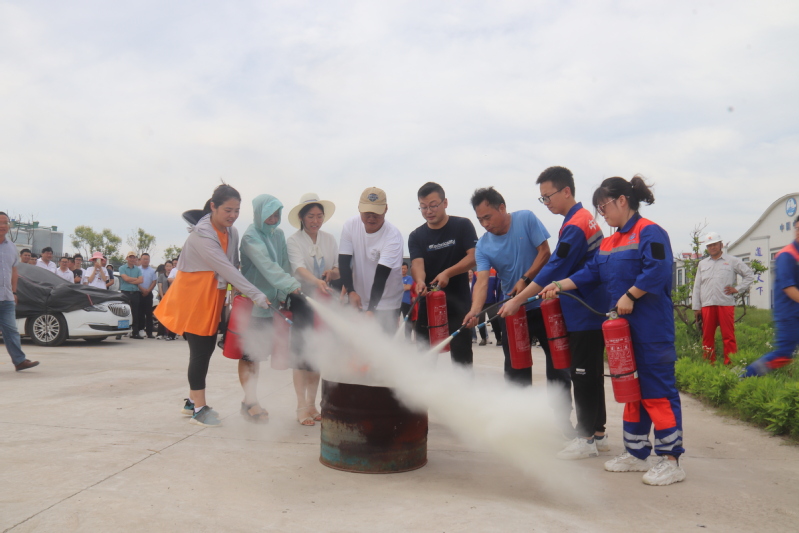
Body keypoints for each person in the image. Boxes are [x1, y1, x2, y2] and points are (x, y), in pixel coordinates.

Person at [540, 175, 685, 486]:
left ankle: (671, 459)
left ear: (622, 200)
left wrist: (631, 295)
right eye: (598, 208)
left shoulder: (650, 232)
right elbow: (590, 272)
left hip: (651, 329)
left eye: (603, 206)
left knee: (658, 392)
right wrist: (559, 285)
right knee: (630, 391)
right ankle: (636, 453)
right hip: (623, 333)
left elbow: (658, 269)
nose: (601, 213)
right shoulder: (609, 242)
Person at [500, 166, 610, 460]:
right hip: (592, 307)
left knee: (582, 374)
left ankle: (585, 439)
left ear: (566, 191)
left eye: (548, 196)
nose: (546, 203)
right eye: (542, 198)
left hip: (584, 310)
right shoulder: (582, 219)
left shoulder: (575, 225)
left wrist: (518, 300)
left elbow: (553, 268)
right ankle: (598, 433)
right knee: (592, 373)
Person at [155, 183, 272, 427]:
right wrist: (256, 294)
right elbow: (225, 268)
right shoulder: (201, 235)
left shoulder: (232, 232)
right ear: (213, 207)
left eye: (237, 210)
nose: (233, 215)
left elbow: (234, 264)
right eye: (228, 210)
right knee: (201, 351)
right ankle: (199, 409)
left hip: (213, 297)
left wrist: (242, 292)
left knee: (205, 349)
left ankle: (191, 401)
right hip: (193, 297)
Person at [463, 187, 573, 435]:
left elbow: (545, 253)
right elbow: (482, 282)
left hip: (545, 305)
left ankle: (562, 422)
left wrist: (525, 278)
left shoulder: (526, 218)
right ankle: (521, 423)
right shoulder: (483, 245)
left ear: (502, 208)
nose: (485, 224)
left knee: (558, 365)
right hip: (512, 312)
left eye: (488, 217)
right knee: (516, 367)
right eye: (480, 219)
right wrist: (475, 311)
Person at [239, 194, 303, 425]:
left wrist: (284, 294)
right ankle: (250, 402)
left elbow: (284, 265)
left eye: (277, 214)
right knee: (249, 355)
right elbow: (266, 266)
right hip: (253, 304)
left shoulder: (278, 234)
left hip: (272, 304)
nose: (273, 219)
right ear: (258, 214)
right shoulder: (250, 237)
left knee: (260, 353)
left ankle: (250, 400)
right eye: (269, 215)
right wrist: (291, 285)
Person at [408, 182, 478, 367]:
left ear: (445, 203)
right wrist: (420, 280)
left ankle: (463, 385)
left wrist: (448, 273)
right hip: (429, 302)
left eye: (433, 205)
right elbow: (417, 264)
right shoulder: (416, 236)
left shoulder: (462, 225)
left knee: (462, 358)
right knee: (425, 357)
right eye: (423, 207)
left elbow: (473, 257)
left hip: (459, 304)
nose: (428, 211)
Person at [286, 193, 341, 425]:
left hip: (324, 300)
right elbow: (298, 268)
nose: (315, 221)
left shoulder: (329, 239)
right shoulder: (293, 241)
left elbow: (338, 268)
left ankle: (312, 403)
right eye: (310, 216)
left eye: (319, 216)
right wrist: (315, 281)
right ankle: (300, 406)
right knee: (301, 354)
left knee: (318, 352)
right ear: (301, 217)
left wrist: (331, 274)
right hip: (302, 300)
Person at [339, 187, 404, 333]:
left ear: (386, 209)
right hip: (359, 299)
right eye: (367, 212)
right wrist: (351, 291)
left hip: (387, 302)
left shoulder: (393, 236)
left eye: (376, 212)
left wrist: (371, 310)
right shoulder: (350, 226)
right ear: (359, 208)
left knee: (383, 344)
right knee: (357, 343)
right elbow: (343, 262)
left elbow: (381, 276)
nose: (371, 217)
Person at [742, 216, 799, 377]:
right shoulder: (787, 255)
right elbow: (789, 288)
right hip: (789, 314)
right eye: (798, 229)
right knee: (784, 354)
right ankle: (745, 376)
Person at [692, 232, 754, 365]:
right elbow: (697, 286)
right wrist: (696, 307)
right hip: (707, 304)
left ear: (721, 244)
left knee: (728, 335)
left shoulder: (732, 261)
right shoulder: (702, 264)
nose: (712, 247)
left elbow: (749, 275)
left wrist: (737, 289)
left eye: (714, 244)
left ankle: (731, 363)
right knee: (707, 336)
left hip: (725, 303)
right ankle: (709, 363)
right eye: (709, 245)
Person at [0, 212, 39, 371]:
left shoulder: (11, 247)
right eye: (0, 222)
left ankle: (19, 361)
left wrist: (14, 292)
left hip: (7, 297)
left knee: (11, 331)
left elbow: (14, 271)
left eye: (5, 223)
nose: (3, 225)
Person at [119, 252, 144, 339]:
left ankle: (135, 333)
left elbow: (141, 280)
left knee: (135, 313)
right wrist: (136, 279)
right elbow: (125, 278)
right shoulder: (122, 268)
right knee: (123, 313)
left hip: (135, 293)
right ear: (127, 258)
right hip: (125, 293)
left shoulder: (138, 269)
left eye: (134, 257)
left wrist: (130, 280)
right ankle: (119, 333)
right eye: (130, 257)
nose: (132, 259)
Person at [476, 268, 503, 346]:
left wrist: (497, 300)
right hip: (480, 302)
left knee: (494, 321)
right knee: (480, 321)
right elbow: (474, 287)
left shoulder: (494, 272)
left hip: (491, 301)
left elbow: (497, 286)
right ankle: (483, 339)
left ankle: (499, 339)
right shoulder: (476, 273)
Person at [138, 253, 158, 338]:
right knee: (140, 313)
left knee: (149, 314)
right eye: (144, 259)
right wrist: (142, 289)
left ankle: (149, 332)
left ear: (149, 260)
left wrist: (148, 290)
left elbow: (154, 282)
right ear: (141, 260)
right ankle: (140, 330)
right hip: (139, 293)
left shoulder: (152, 271)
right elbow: (136, 281)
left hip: (149, 293)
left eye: (147, 259)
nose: (145, 261)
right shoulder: (137, 270)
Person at [156, 262, 177, 340]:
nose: (168, 268)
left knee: (172, 316)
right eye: (167, 266)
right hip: (164, 297)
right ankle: (160, 333)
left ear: (172, 267)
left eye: (170, 266)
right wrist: (162, 297)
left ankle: (171, 334)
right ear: (165, 267)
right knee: (162, 316)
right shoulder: (161, 276)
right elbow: (160, 286)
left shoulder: (174, 275)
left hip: (172, 297)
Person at [400, 263, 414, 339]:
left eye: (404, 269)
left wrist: (399, 286)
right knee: (394, 320)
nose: (403, 270)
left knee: (407, 321)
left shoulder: (409, 278)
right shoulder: (396, 278)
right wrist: (403, 285)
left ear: (407, 269)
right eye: (402, 268)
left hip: (406, 302)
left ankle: (407, 339)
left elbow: (408, 287)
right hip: (397, 303)